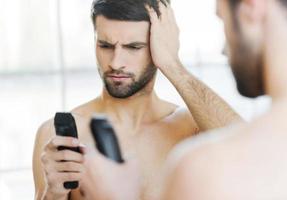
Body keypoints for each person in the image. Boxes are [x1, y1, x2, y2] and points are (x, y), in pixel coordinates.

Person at [78, 0, 287, 199]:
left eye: (222, 20)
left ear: (251, 7)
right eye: (105, 45)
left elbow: (248, 154)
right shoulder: (283, 155)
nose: (224, 49)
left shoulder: (194, 162)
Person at [32, 0, 240, 199]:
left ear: (160, 44)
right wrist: (53, 194)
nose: (116, 62)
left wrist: (172, 64)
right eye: (105, 45)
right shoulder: (57, 136)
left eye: (133, 47)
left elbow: (249, 152)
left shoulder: (191, 128)